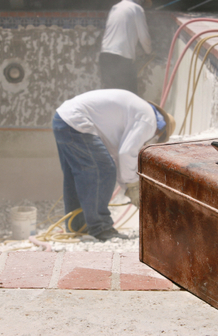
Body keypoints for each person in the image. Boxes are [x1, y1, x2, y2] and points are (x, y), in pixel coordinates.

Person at [52, 89, 175, 241]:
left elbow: (119, 160)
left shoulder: (138, 114)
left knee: (77, 176)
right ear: (160, 133)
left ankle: (77, 227)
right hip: (76, 121)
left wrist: (130, 190)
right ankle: (101, 229)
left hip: (63, 119)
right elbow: (126, 153)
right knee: (103, 170)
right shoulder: (149, 122)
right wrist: (133, 186)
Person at [99, 0, 153, 95]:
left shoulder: (115, 8)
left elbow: (124, 38)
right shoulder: (137, 9)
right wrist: (149, 52)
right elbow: (144, 37)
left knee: (109, 95)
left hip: (105, 57)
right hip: (121, 59)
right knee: (129, 95)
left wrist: (139, 52)